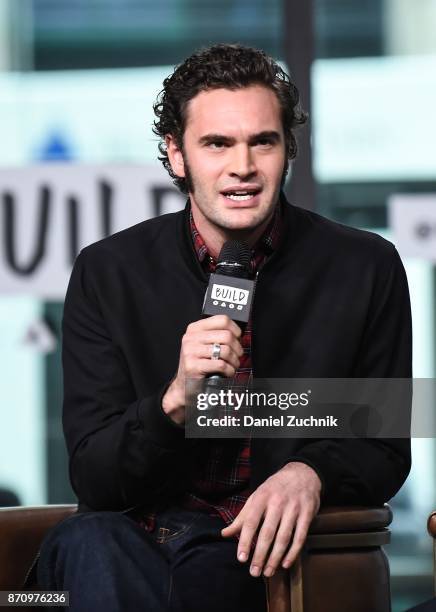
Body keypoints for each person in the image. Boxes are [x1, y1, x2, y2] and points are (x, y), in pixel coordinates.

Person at [37, 44, 412, 611]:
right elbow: (93, 477)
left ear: (288, 150)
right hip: (128, 542)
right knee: (84, 548)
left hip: (254, 549)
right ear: (177, 153)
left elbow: (386, 444)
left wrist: (310, 470)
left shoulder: (364, 266)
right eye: (217, 144)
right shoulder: (108, 272)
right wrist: (173, 405)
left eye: (262, 141)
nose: (243, 166)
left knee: (207, 575)